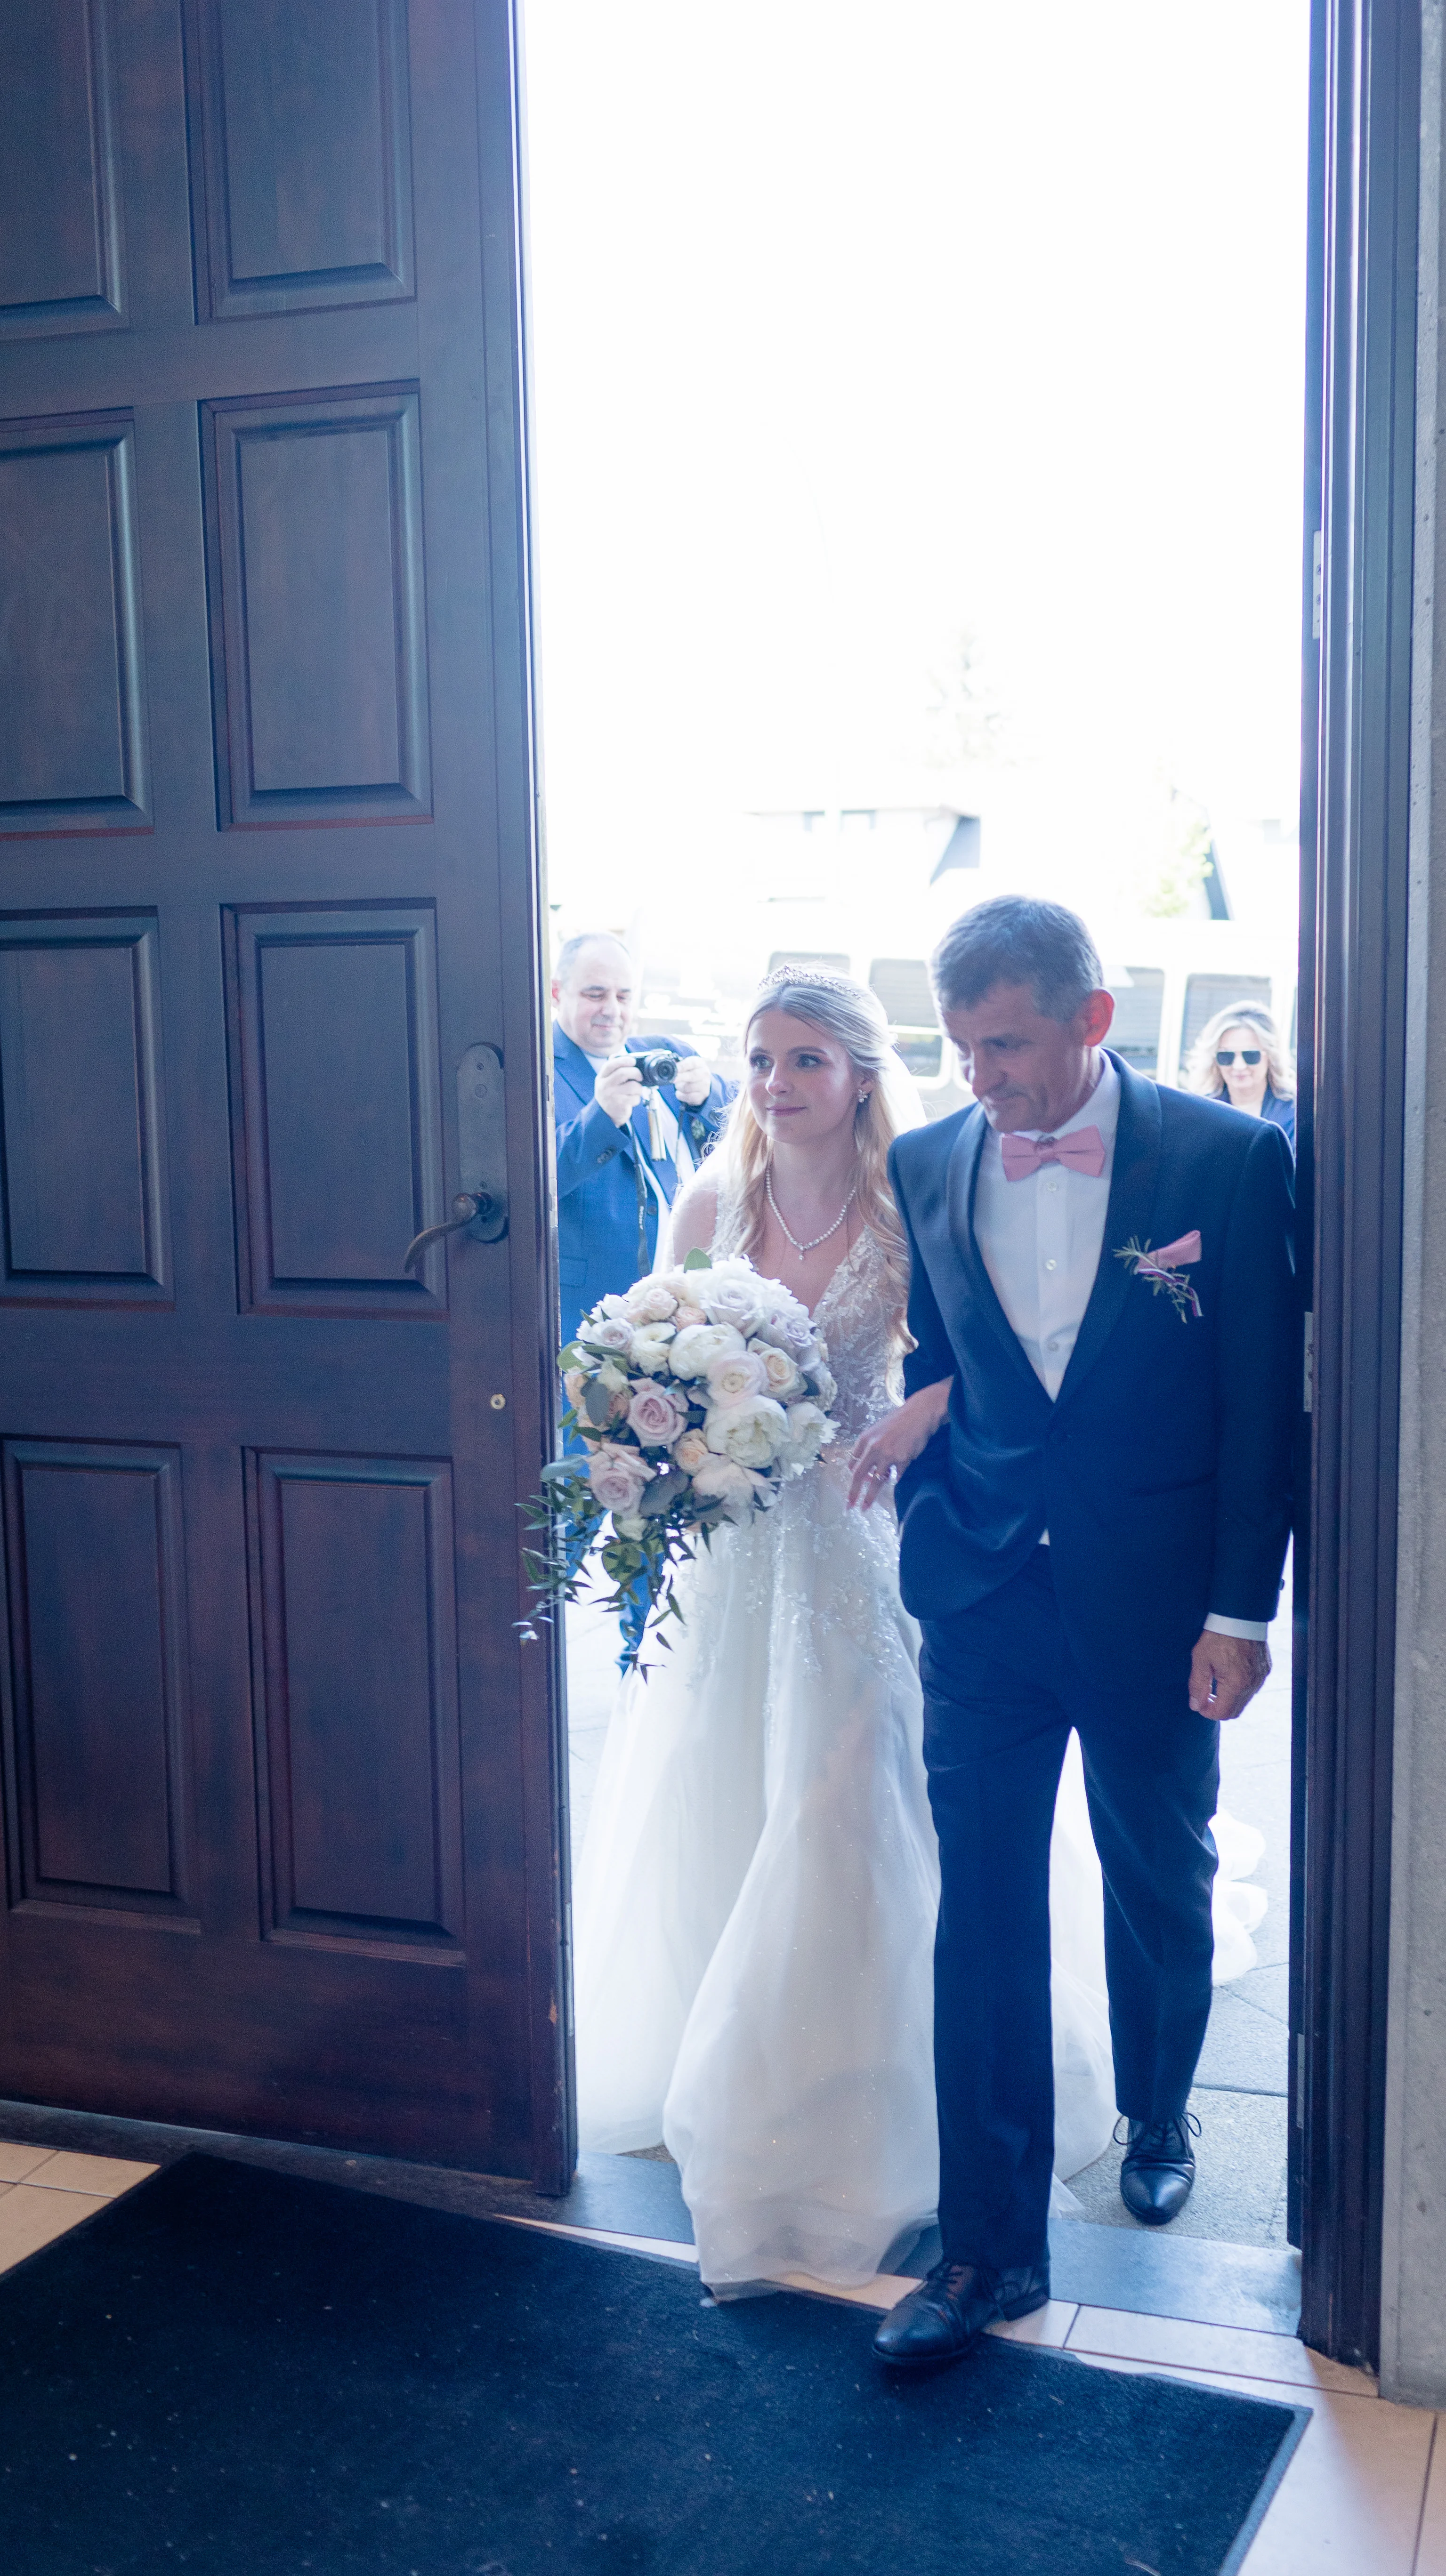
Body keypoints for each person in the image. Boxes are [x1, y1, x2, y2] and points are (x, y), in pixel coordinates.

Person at [571, 968, 1120, 2293]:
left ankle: (856, 2099)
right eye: (761, 1059)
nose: (776, 1084)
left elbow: (979, 1355)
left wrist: (918, 1412)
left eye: (806, 1059)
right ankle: (710, 2045)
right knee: (715, 1783)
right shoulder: (714, 1200)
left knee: (848, 1798)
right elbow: (656, 1347)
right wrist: (673, 1443)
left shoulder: (909, 1200)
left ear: (863, 1074)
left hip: (861, 1536)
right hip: (738, 1547)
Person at [863, 896, 1297, 2369]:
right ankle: (987, 2252)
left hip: (1156, 1595)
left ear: (1091, 1019)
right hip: (981, 1588)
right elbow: (949, 1345)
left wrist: (1240, 1611)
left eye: (1007, 1044)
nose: (979, 1076)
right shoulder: (925, 1159)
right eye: (960, 1046)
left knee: (1154, 1864)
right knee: (979, 1903)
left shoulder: (1227, 1162)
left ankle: (1160, 2107)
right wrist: (929, 1415)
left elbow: (1258, 1405)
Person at [550, 932, 735, 1349]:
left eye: (624, 996)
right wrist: (602, 1118)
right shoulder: (535, 1067)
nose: (611, 1010)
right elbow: (530, 1182)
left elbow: (746, 1122)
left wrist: (709, 1095)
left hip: (687, 1302)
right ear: (558, 993)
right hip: (593, 1303)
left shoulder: (665, 1053)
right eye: (596, 994)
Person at [1186, 1001, 1296, 1157]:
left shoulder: (1295, 1112)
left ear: (1271, 1056)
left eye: (1251, 1055)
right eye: (1226, 1056)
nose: (1239, 1066)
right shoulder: (1202, 1112)